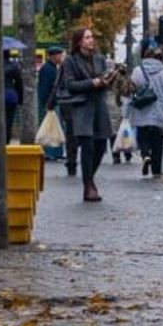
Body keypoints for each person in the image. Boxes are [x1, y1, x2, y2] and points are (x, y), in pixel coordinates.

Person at [62, 27, 113, 202]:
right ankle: (88, 186)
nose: (91, 40)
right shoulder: (70, 61)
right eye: (87, 37)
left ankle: (89, 178)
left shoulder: (100, 59)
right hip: (82, 108)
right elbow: (70, 85)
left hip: (99, 106)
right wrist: (91, 83)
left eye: (92, 37)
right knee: (88, 146)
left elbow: (105, 78)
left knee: (101, 145)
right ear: (79, 42)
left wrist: (109, 79)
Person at [126, 46, 163, 177]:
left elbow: (130, 92)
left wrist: (126, 112)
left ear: (146, 56)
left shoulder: (137, 71)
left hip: (141, 111)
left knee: (142, 137)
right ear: (160, 58)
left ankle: (145, 155)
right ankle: (156, 171)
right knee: (157, 142)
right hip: (159, 113)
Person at [37, 46, 66, 161]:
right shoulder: (48, 69)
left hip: (52, 101)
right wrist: (46, 102)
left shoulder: (52, 68)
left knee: (55, 126)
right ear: (54, 56)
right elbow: (45, 87)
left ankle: (55, 152)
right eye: (60, 55)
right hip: (51, 102)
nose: (62, 57)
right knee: (52, 127)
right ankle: (51, 152)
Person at [4, 51, 23, 144]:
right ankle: (6, 142)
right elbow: (19, 83)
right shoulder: (14, 66)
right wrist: (20, 99)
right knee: (9, 121)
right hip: (10, 96)